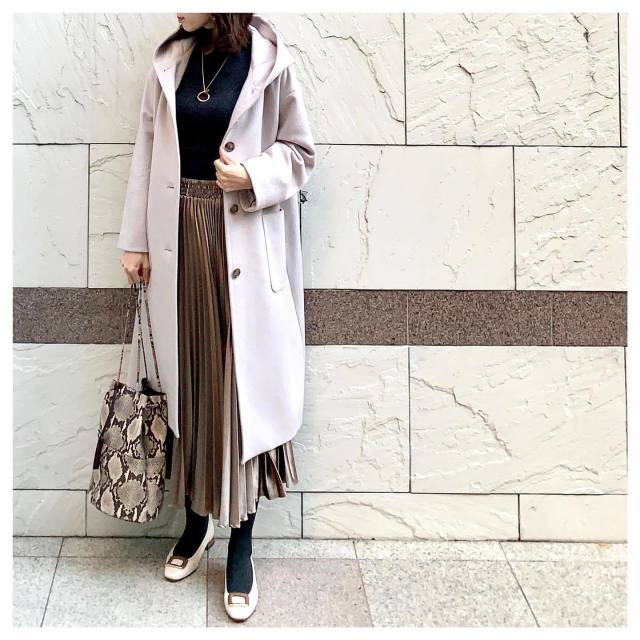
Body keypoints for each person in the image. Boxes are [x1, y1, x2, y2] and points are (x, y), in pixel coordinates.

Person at [118, 12, 316, 622]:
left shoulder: (269, 62)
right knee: (194, 383)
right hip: (178, 242)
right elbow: (147, 151)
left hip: (243, 244)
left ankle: (242, 541)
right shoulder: (171, 62)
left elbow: (301, 153)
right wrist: (136, 239)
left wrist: (252, 174)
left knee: (238, 393)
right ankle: (197, 520)